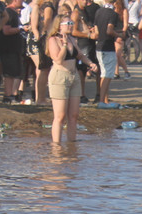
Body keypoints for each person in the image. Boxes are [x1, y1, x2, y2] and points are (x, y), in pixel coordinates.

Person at [45, 12, 97, 143]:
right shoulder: (53, 40)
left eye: (71, 23)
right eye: (67, 24)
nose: (70, 26)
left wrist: (90, 63)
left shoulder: (73, 40)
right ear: (59, 26)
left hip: (73, 76)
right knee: (60, 116)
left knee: (73, 115)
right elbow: (58, 59)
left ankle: (72, 144)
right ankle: (56, 146)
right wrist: (63, 44)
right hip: (60, 77)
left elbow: (80, 55)